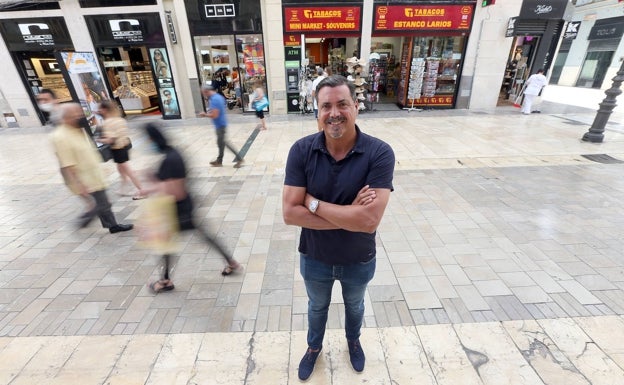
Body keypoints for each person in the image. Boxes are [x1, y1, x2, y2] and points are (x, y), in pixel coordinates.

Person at [282, 75, 395, 381]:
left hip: (358, 258)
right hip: (315, 256)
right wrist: (351, 213)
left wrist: (314, 203)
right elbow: (290, 214)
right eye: (326, 106)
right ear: (317, 111)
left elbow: (370, 221)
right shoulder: (301, 150)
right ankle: (313, 347)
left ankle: (353, 341)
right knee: (317, 307)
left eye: (342, 104)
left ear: (356, 107)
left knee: (355, 305)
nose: (334, 112)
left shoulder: (379, 153)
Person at [142, 123, 242, 292]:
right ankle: (231, 262)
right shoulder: (172, 153)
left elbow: (177, 191)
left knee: (166, 245)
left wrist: (151, 187)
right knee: (201, 236)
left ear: (153, 138)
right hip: (183, 208)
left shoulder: (171, 159)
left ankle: (165, 281)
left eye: (147, 139)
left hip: (179, 210)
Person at [50, 103, 133, 234]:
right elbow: (67, 163)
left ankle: (106, 223)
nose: (79, 116)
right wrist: (79, 184)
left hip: (93, 174)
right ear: (66, 117)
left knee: (102, 202)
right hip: (85, 178)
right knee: (102, 203)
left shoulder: (77, 129)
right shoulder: (60, 136)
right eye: (75, 114)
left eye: (80, 113)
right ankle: (88, 221)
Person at [97, 100, 145, 200]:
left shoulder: (108, 122)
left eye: (100, 109)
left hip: (117, 149)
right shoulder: (120, 119)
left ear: (105, 110)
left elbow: (111, 139)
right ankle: (123, 189)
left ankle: (142, 190)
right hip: (124, 146)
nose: (98, 111)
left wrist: (99, 140)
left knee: (129, 171)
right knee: (121, 169)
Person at [198, 85, 244, 168]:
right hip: (221, 123)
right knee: (220, 143)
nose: (204, 96)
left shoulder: (214, 100)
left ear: (206, 92)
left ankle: (239, 158)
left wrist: (204, 114)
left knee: (224, 143)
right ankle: (219, 161)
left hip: (220, 125)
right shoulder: (219, 97)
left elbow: (215, 115)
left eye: (203, 94)